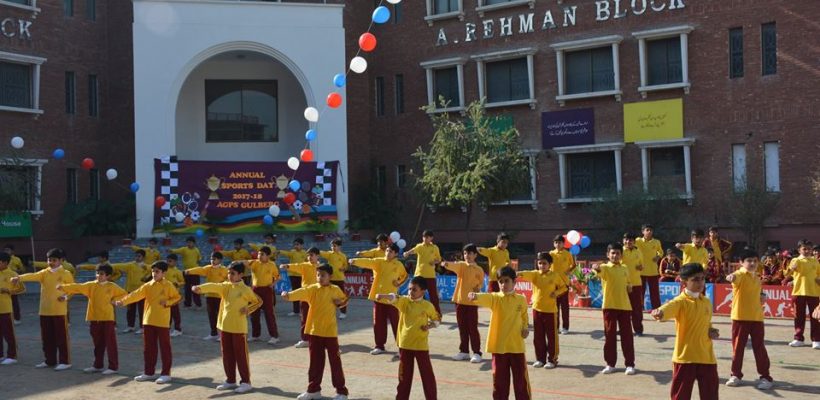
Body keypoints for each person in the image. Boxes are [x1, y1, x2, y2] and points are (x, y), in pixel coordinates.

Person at [651, 263, 720, 400]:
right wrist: (659, 313)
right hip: (685, 357)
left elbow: (707, 324)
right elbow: (666, 309)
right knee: (680, 396)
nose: (700, 283)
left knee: (711, 395)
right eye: (695, 279)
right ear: (683, 282)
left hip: (707, 356)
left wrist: (711, 331)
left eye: (702, 278)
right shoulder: (680, 302)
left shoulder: (706, 301)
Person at [281, 264, 350, 400]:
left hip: (330, 332)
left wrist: (340, 303)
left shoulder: (335, 289)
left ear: (330, 276)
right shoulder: (312, 289)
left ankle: (341, 392)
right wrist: (288, 295)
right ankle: (313, 390)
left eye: (323, 275)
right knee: (315, 362)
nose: (320, 277)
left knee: (335, 362)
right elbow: (300, 292)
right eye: (318, 275)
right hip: (314, 331)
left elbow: (344, 301)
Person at [193, 262, 262, 394]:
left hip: (238, 328)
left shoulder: (245, 289)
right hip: (224, 326)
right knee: (227, 355)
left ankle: (246, 382)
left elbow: (258, 301)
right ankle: (230, 380)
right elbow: (214, 286)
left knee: (241, 356)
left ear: (241, 275)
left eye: (233, 273)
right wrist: (200, 288)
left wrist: (247, 309)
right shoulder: (226, 286)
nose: (229, 276)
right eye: (229, 273)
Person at [467, 267, 531, 400]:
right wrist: (475, 296)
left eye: (506, 281)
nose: (503, 284)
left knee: (521, 383)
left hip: (516, 347)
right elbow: (486, 297)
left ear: (514, 282)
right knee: (499, 383)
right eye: (500, 281)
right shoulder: (495, 298)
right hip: (499, 347)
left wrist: (525, 328)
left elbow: (525, 317)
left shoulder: (521, 300)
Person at [114, 261, 182, 384]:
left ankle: (166, 373)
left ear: (164, 273)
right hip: (148, 320)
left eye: (157, 271)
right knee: (148, 348)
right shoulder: (147, 285)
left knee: (165, 347)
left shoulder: (168, 285)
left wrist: (167, 303)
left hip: (162, 321)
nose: (154, 273)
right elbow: (135, 294)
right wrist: (123, 301)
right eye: (153, 271)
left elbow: (177, 297)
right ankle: (149, 372)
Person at [375, 277, 441, 400]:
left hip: (420, 345)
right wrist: (382, 295)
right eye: (409, 289)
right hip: (405, 345)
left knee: (427, 376)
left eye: (414, 290)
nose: (410, 292)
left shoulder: (428, 306)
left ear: (423, 291)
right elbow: (394, 297)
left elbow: (437, 319)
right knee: (404, 377)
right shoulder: (405, 301)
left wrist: (429, 326)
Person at [57, 264, 128, 375]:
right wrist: (64, 287)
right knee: (97, 344)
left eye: (102, 274)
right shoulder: (91, 285)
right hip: (94, 318)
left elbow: (124, 294)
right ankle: (97, 365)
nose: (99, 276)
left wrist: (115, 300)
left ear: (108, 276)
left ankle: (113, 367)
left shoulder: (112, 286)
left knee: (110, 343)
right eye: (97, 273)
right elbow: (78, 287)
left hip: (107, 319)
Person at [12, 248, 74, 370]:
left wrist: (65, 297)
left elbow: (72, 289)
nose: (51, 262)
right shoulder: (44, 273)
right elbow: (32, 276)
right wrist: (18, 278)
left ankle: (65, 361)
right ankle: (49, 360)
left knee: (61, 337)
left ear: (61, 260)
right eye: (49, 260)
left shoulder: (66, 273)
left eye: (54, 260)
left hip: (59, 311)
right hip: (44, 310)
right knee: (47, 338)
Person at [725, 248, 774, 390]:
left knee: (760, 348)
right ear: (741, 262)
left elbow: (758, 295)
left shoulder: (757, 277)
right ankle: (735, 375)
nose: (752, 263)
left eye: (755, 260)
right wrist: (731, 278)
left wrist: (762, 297)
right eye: (749, 261)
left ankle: (765, 377)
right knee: (738, 348)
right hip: (740, 317)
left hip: (757, 318)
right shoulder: (740, 274)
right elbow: (734, 278)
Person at [349, 243, 408, 355]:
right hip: (379, 298)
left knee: (397, 323)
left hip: (392, 300)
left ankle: (402, 348)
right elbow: (368, 262)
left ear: (395, 254)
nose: (387, 253)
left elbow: (405, 276)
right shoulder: (379, 261)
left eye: (390, 251)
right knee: (378, 323)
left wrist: (398, 282)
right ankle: (379, 346)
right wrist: (355, 261)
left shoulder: (399, 265)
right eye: (387, 251)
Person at [591, 244, 636, 375]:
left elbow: (628, 282)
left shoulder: (625, 268)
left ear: (621, 255)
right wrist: (596, 267)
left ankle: (630, 364)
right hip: (609, 306)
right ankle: (610, 364)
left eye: (617, 253)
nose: (615, 256)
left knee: (627, 336)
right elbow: (598, 270)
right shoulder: (605, 267)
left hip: (625, 306)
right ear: (608, 255)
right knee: (609, 336)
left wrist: (629, 286)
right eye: (612, 253)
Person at [80, 250, 149, 334]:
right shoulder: (130, 265)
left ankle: (143, 327)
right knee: (130, 310)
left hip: (141, 291)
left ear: (143, 257)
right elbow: (118, 266)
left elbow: (151, 273)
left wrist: (146, 277)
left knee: (142, 309)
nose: (137, 258)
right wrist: (107, 266)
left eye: (139, 256)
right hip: (130, 290)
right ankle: (130, 326)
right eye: (136, 256)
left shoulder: (147, 267)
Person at [517, 251, 566, 369]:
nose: (541, 266)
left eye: (544, 263)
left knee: (552, 336)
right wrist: (517, 273)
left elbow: (564, 287)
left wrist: (557, 293)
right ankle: (540, 359)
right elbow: (524, 274)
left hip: (550, 311)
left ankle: (552, 359)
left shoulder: (555, 275)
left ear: (550, 264)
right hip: (537, 309)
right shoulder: (535, 274)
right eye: (539, 263)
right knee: (538, 336)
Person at [441, 244, 485, 363]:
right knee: (462, 328)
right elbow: (452, 265)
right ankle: (464, 351)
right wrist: (445, 264)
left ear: (475, 255)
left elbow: (481, 283)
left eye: (470, 253)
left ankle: (477, 352)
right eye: (465, 253)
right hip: (460, 301)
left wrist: (478, 288)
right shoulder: (461, 266)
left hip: (471, 302)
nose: (467, 256)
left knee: (472, 328)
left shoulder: (479, 270)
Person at [281, 247, 322, 348]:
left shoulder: (322, 267)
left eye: (311, 255)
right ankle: (305, 339)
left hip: (318, 296)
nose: (309, 257)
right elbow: (296, 266)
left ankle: (319, 339)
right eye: (308, 255)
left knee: (318, 319)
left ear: (318, 256)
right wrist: (287, 266)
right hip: (305, 296)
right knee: (304, 318)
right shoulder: (304, 265)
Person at [185, 252, 229, 341]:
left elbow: (228, 280)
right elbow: (199, 269)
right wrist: (189, 271)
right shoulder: (208, 268)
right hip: (209, 295)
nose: (212, 261)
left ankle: (222, 334)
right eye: (211, 259)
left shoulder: (225, 270)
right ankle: (213, 333)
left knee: (221, 315)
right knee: (211, 315)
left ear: (220, 260)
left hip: (220, 296)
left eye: (214, 259)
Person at [786, 239, 820, 349]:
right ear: (799, 250)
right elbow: (787, 273)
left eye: (809, 249)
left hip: (814, 291)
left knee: (815, 316)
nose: (807, 251)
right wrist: (791, 269)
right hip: (798, 291)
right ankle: (798, 338)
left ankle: (816, 339)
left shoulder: (815, 261)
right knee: (798, 316)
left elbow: (819, 274)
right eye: (804, 249)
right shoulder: (795, 260)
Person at [243, 246, 280, 344]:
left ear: (268, 256)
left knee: (269, 313)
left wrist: (272, 284)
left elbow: (277, 276)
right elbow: (245, 262)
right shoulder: (255, 263)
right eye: (258, 254)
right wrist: (241, 262)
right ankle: (255, 335)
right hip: (255, 290)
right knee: (254, 313)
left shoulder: (272, 265)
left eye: (262, 254)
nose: (259, 256)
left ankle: (274, 336)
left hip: (267, 290)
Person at [403, 230, 443, 316]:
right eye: (424, 237)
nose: (425, 238)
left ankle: (437, 314)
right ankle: (415, 312)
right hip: (419, 275)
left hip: (430, 275)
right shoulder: (420, 246)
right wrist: (407, 253)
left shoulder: (435, 247)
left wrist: (434, 262)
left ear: (431, 238)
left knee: (433, 297)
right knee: (416, 295)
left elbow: (439, 259)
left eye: (427, 237)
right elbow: (413, 250)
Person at [0, 252, 25, 365]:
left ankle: (12, 355)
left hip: (6, 309)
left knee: (8, 333)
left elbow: (22, 289)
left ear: (5, 263)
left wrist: (9, 291)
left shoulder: (12, 274)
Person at [549, 235, 575, 334]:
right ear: (553, 244)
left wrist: (568, 271)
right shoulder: (551, 254)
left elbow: (573, 265)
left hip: (564, 284)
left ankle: (565, 327)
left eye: (560, 242)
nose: (558, 244)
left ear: (563, 244)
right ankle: (556, 327)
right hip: (553, 284)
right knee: (554, 307)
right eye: (556, 242)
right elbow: (545, 263)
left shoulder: (568, 254)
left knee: (564, 307)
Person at [635, 224, 663, 310]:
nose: (649, 231)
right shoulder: (638, 241)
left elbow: (661, 252)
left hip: (653, 271)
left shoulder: (656, 242)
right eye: (647, 230)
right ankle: (639, 308)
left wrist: (658, 256)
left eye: (651, 230)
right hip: (640, 271)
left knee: (654, 292)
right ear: (642, 232)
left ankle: (657, 308)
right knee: (640, 292)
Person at [622, 234, 645, 336]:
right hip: (622, 283)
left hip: (636, 283)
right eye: (626, 240)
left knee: (637, 308)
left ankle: (638, 329)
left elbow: (642, 265)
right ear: (623, 241)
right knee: (622, 308)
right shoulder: (619, 251)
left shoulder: (638, 251)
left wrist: (641, 267)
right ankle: (624, 329)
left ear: (634, 242)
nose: (628, 242)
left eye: (631, 240)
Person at [170, 236, 202, 308]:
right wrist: (171, 250)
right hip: (186, 272)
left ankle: (198, 304)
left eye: (190, 242)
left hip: (195, 272)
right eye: (187, 242)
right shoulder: (184, 249)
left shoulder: (196, 250)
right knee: (187, 288)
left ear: (194, 243)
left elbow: (199, 258)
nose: (189, 244)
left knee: (196, 288)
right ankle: (187, 304)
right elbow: (176, 251)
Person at [320, 238, 349, 319]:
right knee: (329, 296)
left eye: (335, 246)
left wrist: (343, 269)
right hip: (331, 279)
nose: (333, 247)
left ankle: (343, 312)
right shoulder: (329, 254)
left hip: (340, 279)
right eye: (332, 246)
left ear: (339, 247)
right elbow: (321, 253)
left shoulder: (343, 256)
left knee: (341, 296)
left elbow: (346, 266)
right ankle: (329, 311)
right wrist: (316, 251)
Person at [280, 238, 308, 317]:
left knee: (302, 293)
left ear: (302, 245)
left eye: (298, 244)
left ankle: (302, 310)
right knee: (294, 292)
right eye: (295, 244)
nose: (296, 246)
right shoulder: (292, 252)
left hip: (302, 275)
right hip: (292, 275)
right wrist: (279, 251)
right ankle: (295, 311)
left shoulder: (305, 253)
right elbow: (286, 253)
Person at [3, 245, 25, 324]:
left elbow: (22, 269)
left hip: (13, 281)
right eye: (5, 249)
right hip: (3, 282)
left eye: (8, 249)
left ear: (12, 251)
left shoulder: (16, 259)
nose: (6, 251)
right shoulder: (2, 258)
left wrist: (16, 273)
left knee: (14, 302)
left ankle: (17, 318)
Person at [164, 254, 185, 337]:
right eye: (167, 261)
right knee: (166, 312)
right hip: (165, 294)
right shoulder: (164, 271)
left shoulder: (178, 272)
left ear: (175, 262)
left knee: (175, 312)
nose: (168, 263)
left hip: (174, 295)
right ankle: (166, 327)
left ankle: (178, 329)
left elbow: (183, 282)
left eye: (170, 261)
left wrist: (178, 284)